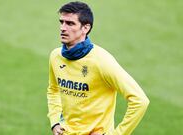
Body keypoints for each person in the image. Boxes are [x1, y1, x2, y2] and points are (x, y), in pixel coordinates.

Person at [47, 1, 150, 135]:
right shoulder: (55, 56)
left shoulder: (102, 61)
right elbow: (53, 89)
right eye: (62, 22)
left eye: (70, 23)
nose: (63, 28)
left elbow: (140, 100)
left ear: (85, 28)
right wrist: (55, 121)